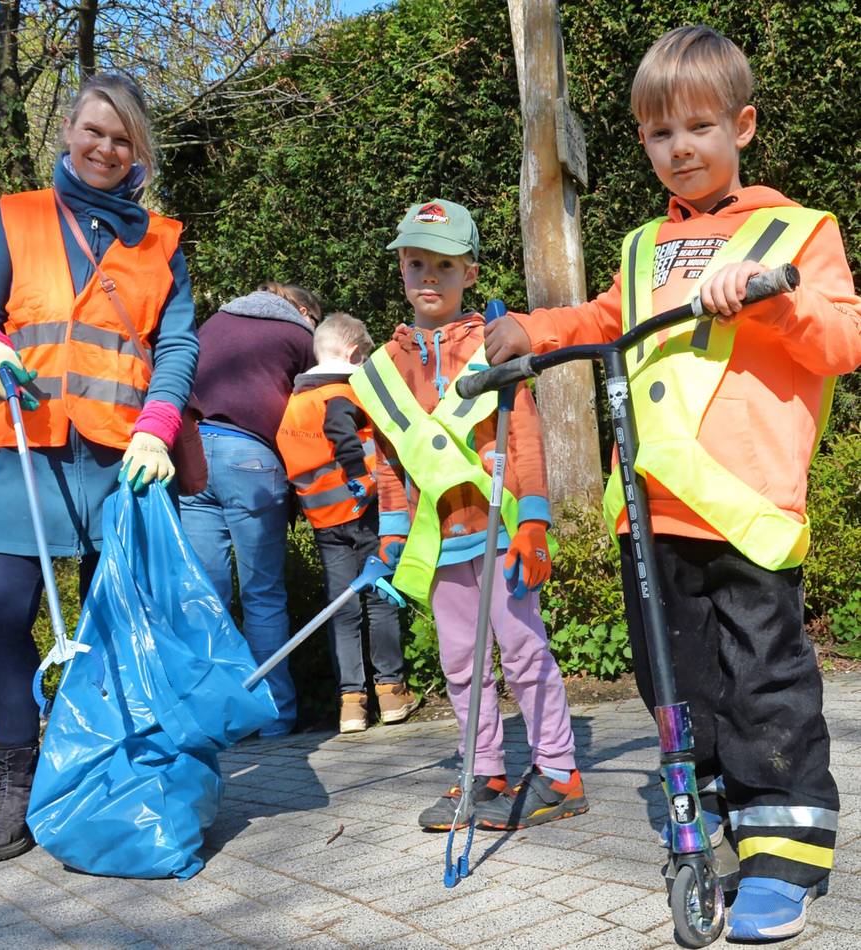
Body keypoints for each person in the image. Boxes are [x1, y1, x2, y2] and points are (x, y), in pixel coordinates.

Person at [484, 26, 861, 940]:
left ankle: (786, 860)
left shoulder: (798, 230)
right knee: (677, 684)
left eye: (698, 127)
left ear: (743, 126)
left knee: (765, 682)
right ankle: (726, 824)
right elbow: (606, 319)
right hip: (651, 514)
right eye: (658, 133)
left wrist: (775, 296)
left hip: (747, 506)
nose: (678, 149)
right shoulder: (643, 243)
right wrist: (533, 333)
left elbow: (844, 340)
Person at [0, 73, 199, 865]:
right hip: (24, 445)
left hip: (123, 456)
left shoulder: (160, 240)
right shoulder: (16, 216)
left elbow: (176, 346)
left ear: (139, 152)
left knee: (113, 626)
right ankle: (17, 779)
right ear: (70, 130)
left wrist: (159, 430)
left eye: (122, 138)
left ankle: (100, 771)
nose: (105, 148)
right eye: (95, 131)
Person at [351, 199, 585, 832]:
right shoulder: (385, 368)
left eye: (445, 266)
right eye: (417, 263)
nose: (429, 278)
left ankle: (560, 772)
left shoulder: (493, 344)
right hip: (439, 542)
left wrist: (533, 522)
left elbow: (525, 438)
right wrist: (393, 534)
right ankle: (482, 773)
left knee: (523, 651)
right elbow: (390, 465)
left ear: (470, 274)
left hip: (501, 529)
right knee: (459, 663)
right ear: (401, 268)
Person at [180, 283, 320, 736]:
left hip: (194, 457)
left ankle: (219, 722)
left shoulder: (212, 325)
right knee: (262, 594)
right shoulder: (298, 336)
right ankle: (275, 718)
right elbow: (318, 405)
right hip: (252, 459)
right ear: (301, 310)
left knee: (208, 600)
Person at [275, 312, 418, 733]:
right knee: (380, 596)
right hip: (364, 512)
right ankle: (391, 692)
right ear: (354, 353)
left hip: (325, 521)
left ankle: (351, 704)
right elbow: (340, 427)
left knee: (342, 607)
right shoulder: (341, 393)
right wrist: (359, 474)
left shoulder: (295, 402)